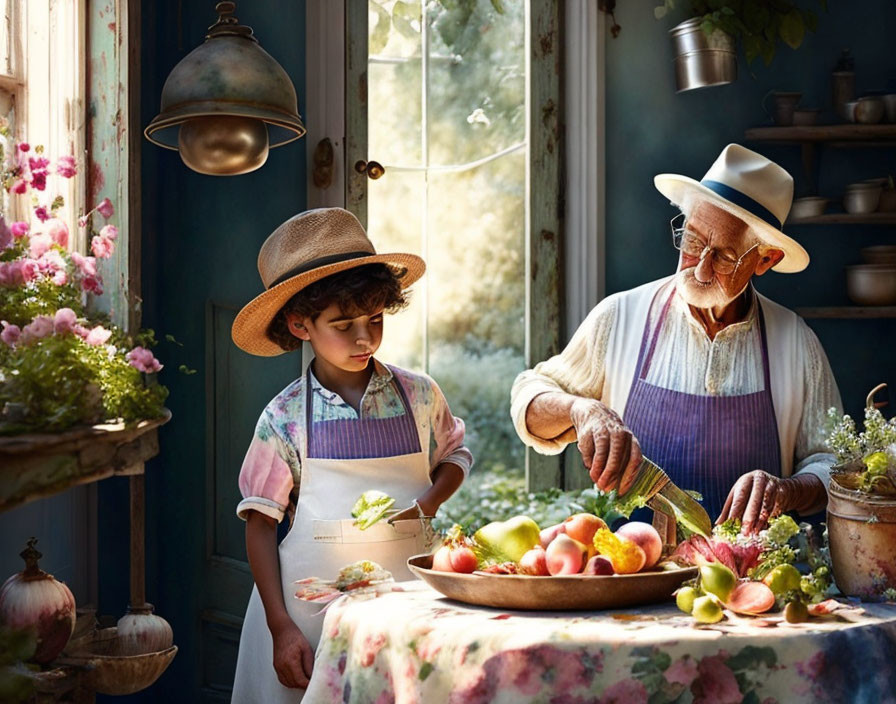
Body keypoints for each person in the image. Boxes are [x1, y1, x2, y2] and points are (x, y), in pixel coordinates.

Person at [511, 143, 841, 534]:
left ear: (765, 259)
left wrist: (786, 491)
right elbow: (528, 402)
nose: (700, 268)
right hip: (626, 571)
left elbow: (832, 467)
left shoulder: (796, 344)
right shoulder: (620, 316)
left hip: (750, 578)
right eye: (693, 241)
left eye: (723, 256)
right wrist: (580, 410)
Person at [229, 208, 472, 702]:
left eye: (375, 319)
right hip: (307, 624)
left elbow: (455, 457)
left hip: (409, 615)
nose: (365, 338)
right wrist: (280, 627)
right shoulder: (284, 419)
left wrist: (428, 503)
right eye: (343, 324)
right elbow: (259, 525)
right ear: (300, 326)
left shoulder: (420, 396)